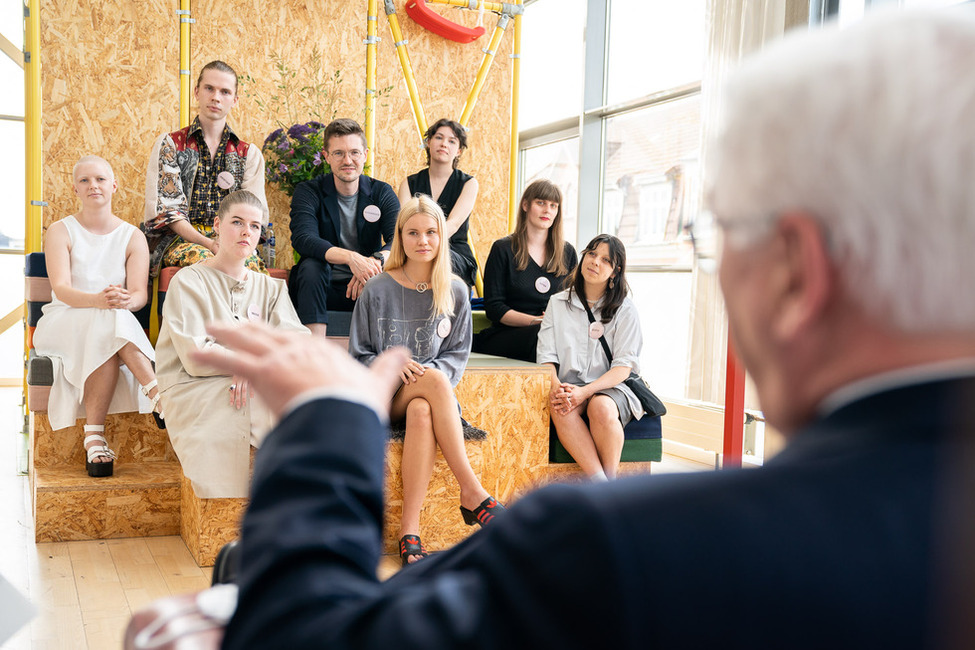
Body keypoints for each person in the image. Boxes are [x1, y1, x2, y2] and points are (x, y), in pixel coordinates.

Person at [195, 10, 975, 649]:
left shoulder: (625, 553)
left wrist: (325, 430)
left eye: (719, 234)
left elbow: (304, 638)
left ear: (797, 270)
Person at [348, 195, 503, 565]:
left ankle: (409, 531)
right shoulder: (377, 289)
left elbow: (456, 355)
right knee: (431, 383)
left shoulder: (457, 291)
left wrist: (425, 374)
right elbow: (358, 355)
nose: (423, 241)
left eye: (431, 232)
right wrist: (389, 363)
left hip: (428, 395)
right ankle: (473, 491)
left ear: (441, 237)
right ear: (399, 237)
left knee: (421, 409)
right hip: (383, 395)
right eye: (413, 232)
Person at [155, 191, 307, 498]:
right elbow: (195, 355)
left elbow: (297, 342)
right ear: (216, 225)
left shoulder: (270, 287)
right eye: (237, 222)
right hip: (193, 385)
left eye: (254, 226)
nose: (245, 232)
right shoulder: (188, 281)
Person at [34, 156, 161, 477]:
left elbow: (139, 296)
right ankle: (158, 393)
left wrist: (123, 299)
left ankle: (95, 438)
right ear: (75, 188)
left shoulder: (133, 236)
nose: (94, 186)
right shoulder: (61, 231)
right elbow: (61, 289)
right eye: (85, 180)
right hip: (62, 319)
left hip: (108, 322)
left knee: (107, 329)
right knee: (108, 321)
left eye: (101, 179)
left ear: (114, 185)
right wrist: (100, 301)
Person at [143, 60, 268, 277]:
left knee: (253, 269)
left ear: (235, 100)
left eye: (225, 92)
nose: (216, 97)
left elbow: (254, 215)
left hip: (234, 241)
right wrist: (210, 244)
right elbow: (170, 213)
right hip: (181, 241)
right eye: (209, 88)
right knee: (208, 263)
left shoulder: (249, 154)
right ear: (197, 92)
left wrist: (231, 244)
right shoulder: (171, 145)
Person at [536, 234, 643, 481]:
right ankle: (602, 487)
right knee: (560, 406)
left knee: (601, 406)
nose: (595, 262)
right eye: (592, 254)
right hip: (570, 384)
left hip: (612, 386)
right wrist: (558, 388)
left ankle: (609, 485)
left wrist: (585, 393)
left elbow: (623, 368)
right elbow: (546, 356)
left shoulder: (625, 309)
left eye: (605, 260)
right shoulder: (557, 302)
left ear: (615, 271)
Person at [289, 118, 400, 337]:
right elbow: (304, 238)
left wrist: (372, 263)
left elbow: (399, 240)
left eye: (354, 153)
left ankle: (382, 355)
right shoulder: (309, 191)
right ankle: (315, 349)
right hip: (322, 286)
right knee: (312, 266)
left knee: (389, 275)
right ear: (326, 156)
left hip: (366, 284)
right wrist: (352, 258)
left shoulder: (381, 192)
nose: (347, 160)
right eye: (339, 153)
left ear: (365, 155)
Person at [473, 179, 577, 362]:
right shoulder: (503, 249)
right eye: (541, 203)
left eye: (553, 205)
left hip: (551, 332)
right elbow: (495, 308)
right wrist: (537, 321)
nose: (547, 210)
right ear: (525, 205)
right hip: (508, 333)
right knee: (544, 336)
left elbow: (573, 301)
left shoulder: (567, 252)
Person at [398, 118, 479, 288]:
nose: (444, 144)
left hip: (454, 252)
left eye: (452, 141)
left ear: (458, 151)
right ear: (428, 142)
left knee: (432, 259)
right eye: (439, 138)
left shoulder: (469, 183)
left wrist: (429, 245)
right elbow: (403, 223)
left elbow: (454, 223)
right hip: (416, 249)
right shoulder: (408, 183)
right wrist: (421, 245)